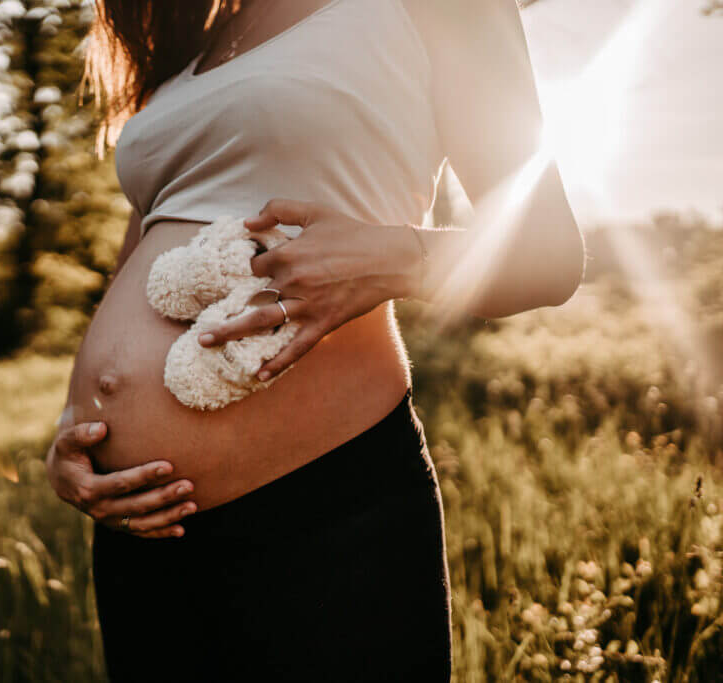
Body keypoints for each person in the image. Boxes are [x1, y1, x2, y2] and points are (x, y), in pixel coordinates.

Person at [45, 0, 585, 680]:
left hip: (322, 515)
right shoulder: (195, 47)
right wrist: (74, 429)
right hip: (138, 528)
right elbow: (142, 266)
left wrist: (395, 260)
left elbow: (549, 254)